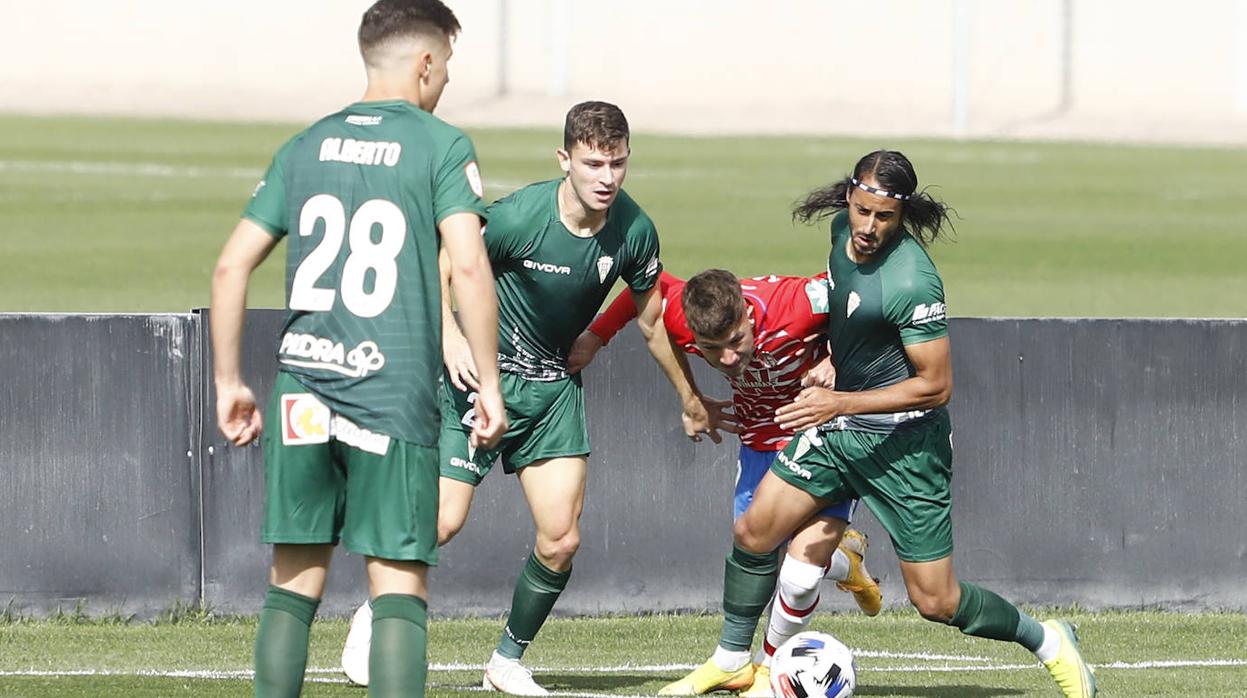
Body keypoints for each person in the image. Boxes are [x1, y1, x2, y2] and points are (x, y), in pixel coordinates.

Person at [663, 150, 1098, 698]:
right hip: (841, 428)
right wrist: (830, 361)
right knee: (754, 531)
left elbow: (936, 385)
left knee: (935, 600)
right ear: (849, 198)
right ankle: (732, 660)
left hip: (904, 445)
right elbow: (845, 317)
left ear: (903, 215)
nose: (868, 227)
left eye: (883, 217)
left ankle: (1049, 640)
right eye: (861, 210)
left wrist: (839, 400)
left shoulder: (913, 281)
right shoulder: (841, 237)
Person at [340, 100, 711, 696]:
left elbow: (650, 320)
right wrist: (450, 334)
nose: (607, 177)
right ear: (564, 159)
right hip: (480, 381)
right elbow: (443, 265)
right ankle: (373, 613)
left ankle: (505, 661)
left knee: (561, 538)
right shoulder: (518, 217)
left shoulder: (635, 230)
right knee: (442, 520)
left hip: (551, 393)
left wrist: (688, 397)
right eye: (593, 163)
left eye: (617, 163)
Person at [209, 2, 506, 696]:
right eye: (447, 68)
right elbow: (468, 269)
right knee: (398, 585)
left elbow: (230, 268)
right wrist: (487, 382)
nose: (445, 83)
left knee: (293, 583)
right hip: (390, 397)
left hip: (302, 393)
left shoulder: (304, 145)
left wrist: (229, 379)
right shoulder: (441, 145)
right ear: (427, 63)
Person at [567, 269, 883, 696]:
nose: (729, 359)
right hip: (758, 437)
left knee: (799, 575)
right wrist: (598, 338)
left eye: (737, 341)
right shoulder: (684, 315)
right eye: (713, 350)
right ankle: (734, 660)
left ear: (748, 316)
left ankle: (772, 672)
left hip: (823, 436)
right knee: (757, 551)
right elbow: (646, 290)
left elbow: (874, 297)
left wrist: (836, 358)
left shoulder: (797, 303)